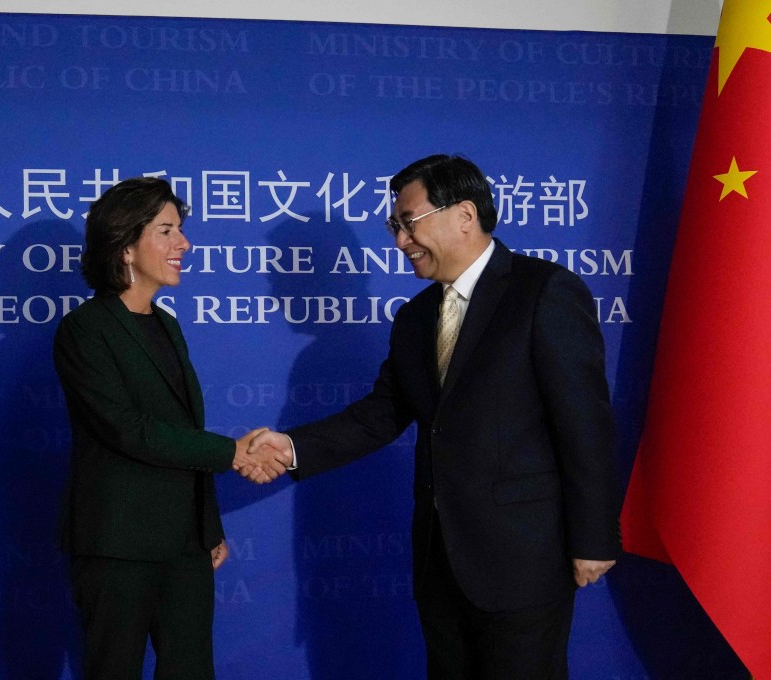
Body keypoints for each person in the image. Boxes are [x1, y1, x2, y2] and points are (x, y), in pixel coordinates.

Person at [245, 154, 622, 678]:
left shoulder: (544, 293)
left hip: (523, 561)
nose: (400, 242)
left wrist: (594, 537)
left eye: (409, 223)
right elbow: (382, 414)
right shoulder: (416, 317)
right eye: (393, 227)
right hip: (439, 561)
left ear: (465, 215)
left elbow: (585, 424)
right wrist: (289, 448)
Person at [54, 177, 289, 680]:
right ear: (125, 245)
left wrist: (208, 527)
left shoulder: (166, 325)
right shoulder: (85, 329)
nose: (183, 244)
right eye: (166, 231)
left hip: (185, 545)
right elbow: (129, 430)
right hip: (118, 543)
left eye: (180, 230)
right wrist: (234, 452)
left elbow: (180, 429)